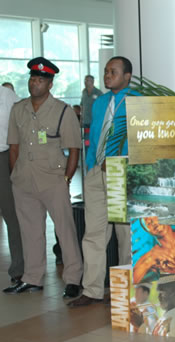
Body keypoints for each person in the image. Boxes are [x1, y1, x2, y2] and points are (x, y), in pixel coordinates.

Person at [3, 57, 82, 298]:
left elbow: (73, 149)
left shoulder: (63, 111)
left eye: (40, 80)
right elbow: (13, 146)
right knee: (30, 231)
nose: (34, 83)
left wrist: (66, 179)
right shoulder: (19, 109)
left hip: (53, 179)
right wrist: (16, 175)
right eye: (32, 79)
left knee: (65, 230)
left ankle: (73, 278)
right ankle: (32, 277)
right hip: (24, 180)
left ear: (50, 84)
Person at [68, 56, 140, 307]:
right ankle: (92, 289)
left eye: (114, 71)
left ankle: (126, 289)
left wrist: (124, 159)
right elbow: (94, 134)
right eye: (106, 71)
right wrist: (90, 167)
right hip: (96, 173)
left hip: (122, 172)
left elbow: (143, 140)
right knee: (94, 234)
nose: (107, 75)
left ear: (127, 76)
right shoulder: (99, 103)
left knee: (125, 235)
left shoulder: (138, 102)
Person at [0, 83, 24, 286]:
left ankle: (19, 268)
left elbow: (23, 124)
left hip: (5, 155)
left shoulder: (7, 95)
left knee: (11, 213)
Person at [132, 216, 175, 283]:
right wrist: (150, 260)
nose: (152, 223)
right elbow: (132, 279)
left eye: (152, 218)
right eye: (148, 224)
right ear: (149, 232)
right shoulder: (153, 255)